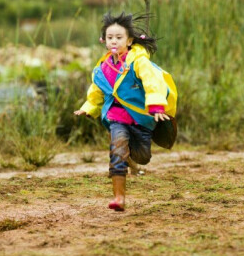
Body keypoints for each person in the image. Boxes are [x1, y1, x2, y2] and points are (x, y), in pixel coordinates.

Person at [74, 11, 177, 212]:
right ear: (104, 40)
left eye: (119, 37)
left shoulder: (139, 61)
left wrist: (156, 106)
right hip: (116, 118)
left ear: (129, 40)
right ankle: (119, 198)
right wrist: (88, 108)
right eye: (110, 37)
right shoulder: (102, 68)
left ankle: (130, 157)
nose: (114, 41)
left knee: (143, 157)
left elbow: (152, 83)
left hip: (140, 119)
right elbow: (96, 90)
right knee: (116, 151)